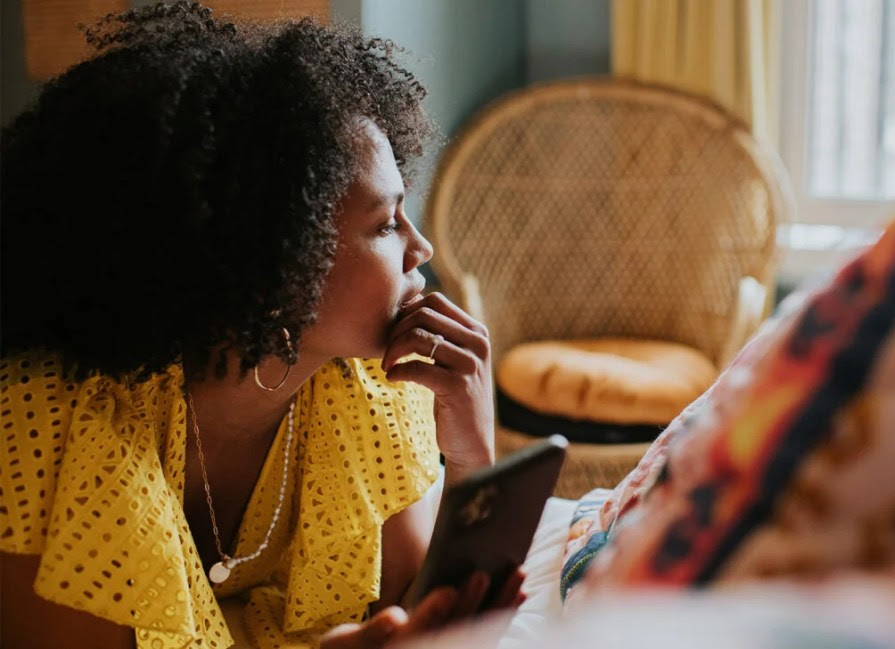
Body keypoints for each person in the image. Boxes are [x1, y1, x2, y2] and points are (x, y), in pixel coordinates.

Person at [0, 3, 522, 647]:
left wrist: (472, 458)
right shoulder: (45, 424)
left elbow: (421, 616)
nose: (422, 249)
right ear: (274, 256)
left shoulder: (375, 391)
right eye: (386, 223)